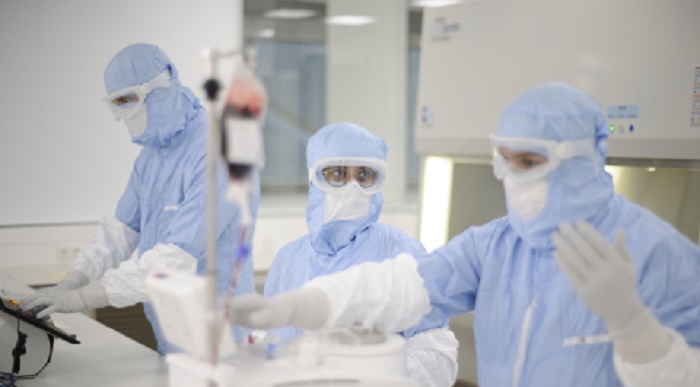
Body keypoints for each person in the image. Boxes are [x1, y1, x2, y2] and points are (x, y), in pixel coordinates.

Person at [230, 83, 700, 386]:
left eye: (531, 162)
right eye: (506, 160)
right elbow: (402, 286)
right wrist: (295, 306)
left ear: (584, 157)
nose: (514, 177)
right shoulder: (496, 244)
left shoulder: (662, 254)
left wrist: (637, 333)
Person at [21, 43, 259, 355]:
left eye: (127, 101)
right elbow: (119, 232)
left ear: (162, 85)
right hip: (172, 334)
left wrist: (81, 299)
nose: (123, 115)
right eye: (115, 104)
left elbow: (174, 261)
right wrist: (73, 280)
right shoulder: (152, 157)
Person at [263, 122, 458, 387]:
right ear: (314, 177)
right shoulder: (287, 261)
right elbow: (270, 348)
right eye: (338, 173)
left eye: (364, 175)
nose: (352, 186)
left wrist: (369, 378)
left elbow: (437, 358)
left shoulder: (400, 251)